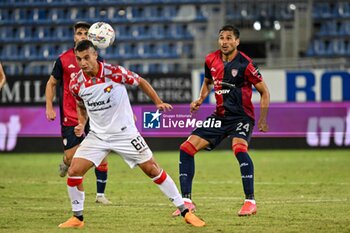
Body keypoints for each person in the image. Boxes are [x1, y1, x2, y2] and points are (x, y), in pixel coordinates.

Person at [58, 40, 206, 228]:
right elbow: (81, 105)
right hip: (97, 136)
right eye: (79, 59)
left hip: (125, 134)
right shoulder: (76, 83)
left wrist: (157, 102)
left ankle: (185, 211)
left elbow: (141, 81)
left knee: (152, 169)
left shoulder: (114, 73)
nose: (83, 63)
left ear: (95, 55)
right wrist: (81, 123)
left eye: (87, 57)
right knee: (74, 171)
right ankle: (77, 218)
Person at [172, 25, 270, 217]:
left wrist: (263, 118)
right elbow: (208, 81)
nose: (225, 42)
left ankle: (250, 201)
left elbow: (264, 91)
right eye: (222, 38)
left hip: (241, 117)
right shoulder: (210, 59)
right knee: (186, 148)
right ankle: (187, 202)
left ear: (237, 42)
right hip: (220, 116)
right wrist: (200, 99)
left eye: (229, 38)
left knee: (239, 149)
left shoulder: (246, 64)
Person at [45, 22, 111, 204]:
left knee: (102, 153)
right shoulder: (63, 59)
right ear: (74, 36)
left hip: (94, 112)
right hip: (71, 115)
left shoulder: (98, 60)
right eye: (79, 33)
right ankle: (66, 163)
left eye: (85, 33)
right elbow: (51, 83)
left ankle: (100, 195)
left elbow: (105, 85)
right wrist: (49, 106)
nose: (82, 36)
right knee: (71, 158)